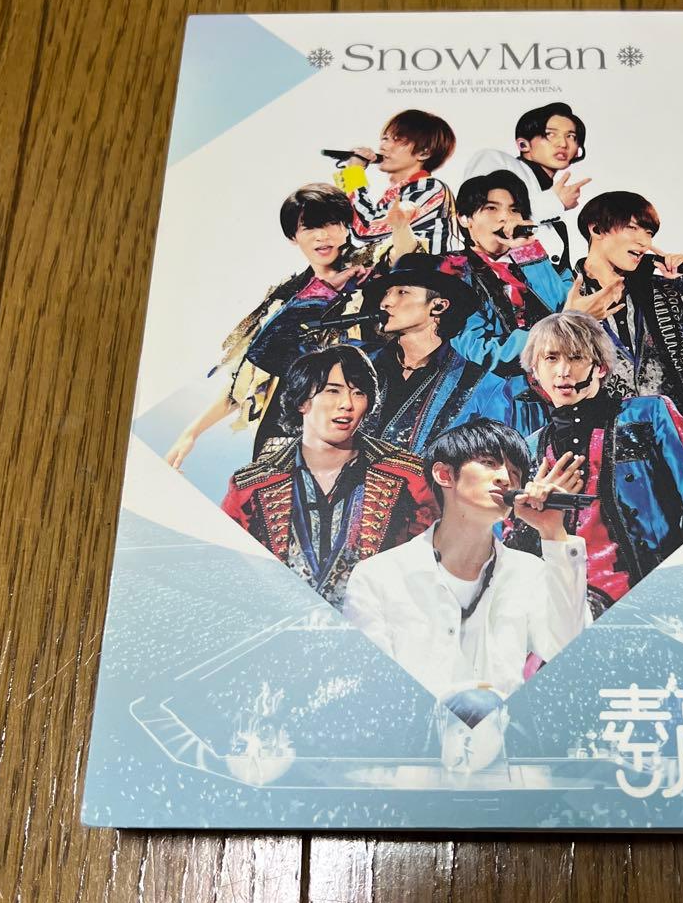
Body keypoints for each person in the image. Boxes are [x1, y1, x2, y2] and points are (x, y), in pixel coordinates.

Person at [343, 419, 590, 709]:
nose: (505, 479)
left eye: (515, 473)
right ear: (444, 474)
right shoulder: (378, 576)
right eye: (489, 463)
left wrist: (553, 533)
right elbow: (372, 688)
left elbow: (569, 649)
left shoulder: (529, 573)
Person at [165, 184, 417, 468]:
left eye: (331, 224)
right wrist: (192, 432)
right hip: (286, 426)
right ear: (293, 237)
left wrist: (400, 226)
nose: (322, 236)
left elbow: (407, 262)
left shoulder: (369, 268)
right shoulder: (285, 295)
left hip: (356, 420)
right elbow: (249, 376)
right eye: (309, 227)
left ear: (346, 227)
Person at [515, 312, 683, 617]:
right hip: (572, 611)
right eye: (551, 358)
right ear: (535, 369)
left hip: (659, 597)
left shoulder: (649, 414)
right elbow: (517, 552)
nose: (562, 371)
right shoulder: (528, 449)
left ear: (600, 366)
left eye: (576, 357)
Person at [221, 345, 437, 608]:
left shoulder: (409, 476)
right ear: (302, 401)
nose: (347, 404)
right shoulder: (251, 485)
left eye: (359, 393)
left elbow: (433, 567)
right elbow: (227, 572)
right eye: (333, 391)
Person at [575, 191, 683, 504]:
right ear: (596, 229)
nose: (644, 242)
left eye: (649, 233)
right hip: (610, 460)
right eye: (632, 228)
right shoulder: (562, 293)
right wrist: (572, 320)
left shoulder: (662, 292)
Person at [451, 170, 620, 378]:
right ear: (464, 218)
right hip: (500, 391)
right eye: (491, 208)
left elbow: (564, 306)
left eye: (514, 210)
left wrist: (527, 251)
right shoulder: (450, 272)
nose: (506, 217)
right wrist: (562, 325)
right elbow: (482, 353)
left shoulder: (540, 262)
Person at [359, 253, 503, 454]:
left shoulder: (483, 385)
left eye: (402, 292)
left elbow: (494, 460)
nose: (385, 302)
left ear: (439, 306)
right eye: (386, 292)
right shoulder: (359, 364)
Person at [464, 102, 591, 272]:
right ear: (523, 144)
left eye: (571, 136)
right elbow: (483, 218)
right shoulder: (496, 160)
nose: (563, 143)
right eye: (550, 134)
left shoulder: (557, 224)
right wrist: (554, 202)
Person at [343, 109, 458, 254]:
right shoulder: (397, 194)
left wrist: (354, 173)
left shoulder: (430, 188)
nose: (383, 146)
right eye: (385, 138)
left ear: (424, 153)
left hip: (423, 268)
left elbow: (366, 228)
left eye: (397, 140)